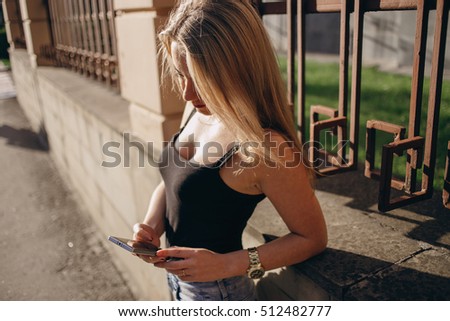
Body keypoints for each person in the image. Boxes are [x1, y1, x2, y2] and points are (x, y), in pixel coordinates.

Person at [132, 0, 327, 301]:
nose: (185, 92)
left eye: (199, 79)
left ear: (236, 69)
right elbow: (171, 182)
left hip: (218, 292)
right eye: (180, 74)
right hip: (177, 283)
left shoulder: (266, 147)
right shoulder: (198, 107)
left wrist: (226, 264)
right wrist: (151, 227)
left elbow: (312, 238)